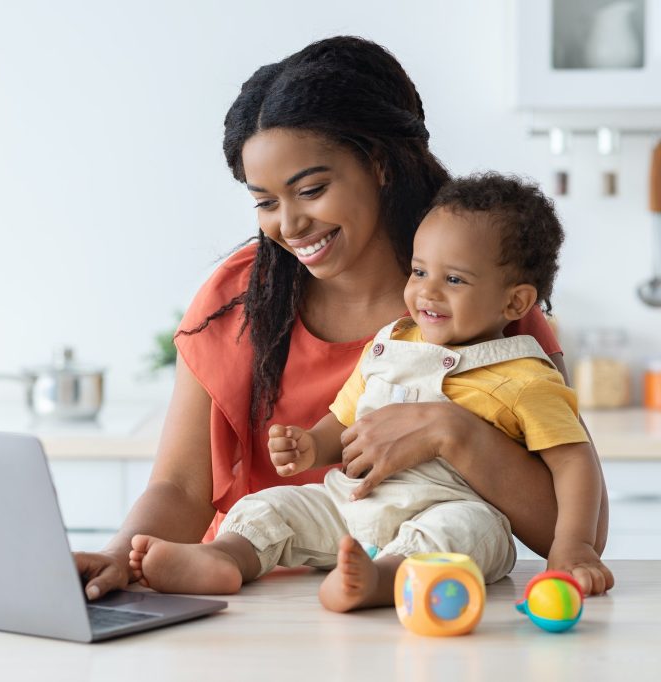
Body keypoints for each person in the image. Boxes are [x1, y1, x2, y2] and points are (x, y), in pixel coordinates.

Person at [74, 35, 610, 602]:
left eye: (311, 190)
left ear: (378, 163)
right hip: (248, 605)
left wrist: (453, 433)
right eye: (265, 202)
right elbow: (181, 486)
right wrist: (117, 557)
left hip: (413, 605)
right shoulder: (239, 295)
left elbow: (575, 531)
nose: (290, 224)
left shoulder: (480, 302)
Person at [127, 173, 614, 609]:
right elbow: (344, 418)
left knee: (470, 532)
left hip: (441, 510)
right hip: (350, 504)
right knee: (270, 506)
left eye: (454, 280)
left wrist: (573, 545)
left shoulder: (526, 376)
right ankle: (225, 558)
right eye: (420, 272)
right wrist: (312, 445)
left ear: (515, 301)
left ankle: (383, 580)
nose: (427, 292)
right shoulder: (392, 343)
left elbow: (574, 462)